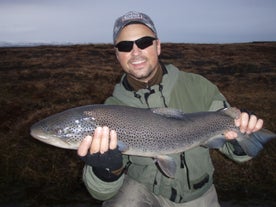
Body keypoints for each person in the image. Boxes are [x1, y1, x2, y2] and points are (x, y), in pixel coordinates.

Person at [77, 11, 264, 207]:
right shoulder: (111, 109)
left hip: (199, 194)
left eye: (144, 42)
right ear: (117, 55)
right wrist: (106, 170)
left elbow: (240, 152)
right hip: (144, 190)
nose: (135, 52)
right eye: (125, 46)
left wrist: (242, 132)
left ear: (158, 46)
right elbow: (100, 192)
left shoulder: (199, 87)